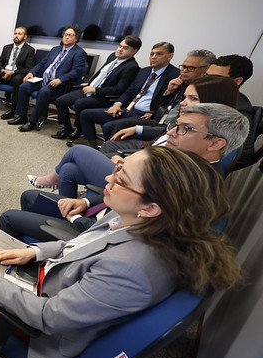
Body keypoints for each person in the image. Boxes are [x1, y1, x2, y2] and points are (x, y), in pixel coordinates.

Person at [0, 146, 240, 358]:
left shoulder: (131, 270)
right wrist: (34, 253)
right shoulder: (137, 218)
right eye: (118, 168)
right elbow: (80, 245)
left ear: (151, 207)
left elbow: (49, 317)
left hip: (44, 332)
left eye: (120, 178)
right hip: (55, 282)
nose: (108, 178)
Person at [12, 80, 243, 242]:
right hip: (100, 211)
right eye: (176, 126)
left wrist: (77, 218)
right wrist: (85, 202)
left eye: (184, 129)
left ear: (216, 143)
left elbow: (123, 230)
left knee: (11, 216)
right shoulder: (183, 160)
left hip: (94, 233)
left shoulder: (184, 182)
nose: (172, 132)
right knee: (60, 176)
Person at [102, 74, 238, 157]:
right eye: (185, 97)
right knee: (109, 146)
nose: (183, 103)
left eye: (193, 99)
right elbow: (167, 126)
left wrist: (130, 162)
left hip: (157, 159)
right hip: (155, 147)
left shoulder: (204, 132)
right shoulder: (189, 117)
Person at [75, 42, 179, 147]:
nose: (154, 57)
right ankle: (93, 146)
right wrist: (118, 104)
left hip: (145, 115)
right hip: (128, 109)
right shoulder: (144, 71)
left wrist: (154, 112)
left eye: (159, 54)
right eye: (152, 54)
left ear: (170, 56)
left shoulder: (175, 75)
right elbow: (129, 91)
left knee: (108, 126)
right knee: (86, 114)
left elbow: (170, 100)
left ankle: (109, 148)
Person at [50, 36, 141, 139]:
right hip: (90, 89)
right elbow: (101, 73)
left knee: (80, 103)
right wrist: (90, 83)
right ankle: (67, 129)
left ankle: (79, 129)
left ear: (134, 51)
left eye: (125, 48)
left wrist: (95, 90)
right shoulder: (112, 56)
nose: (120, 49)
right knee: (60, 101)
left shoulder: (132, 67)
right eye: (120, 46)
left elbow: (118, 89)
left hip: (103, 97)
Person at [7, 25, 88, 132]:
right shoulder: (55, 49)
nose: (66, 37)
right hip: (44, 79)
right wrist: (31, 72)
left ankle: (32, 122)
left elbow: (75, 72)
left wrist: (60, 79)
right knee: (24, 86)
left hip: (60, 84)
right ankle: (22, 116)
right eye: (65, 34)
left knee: (44, 91)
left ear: (76, 38)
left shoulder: (80, 53)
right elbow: (42, 63)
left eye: (70, 35)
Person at [0, 26, 36, 115]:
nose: (16, 36)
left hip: (16, 75)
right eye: (15, 33)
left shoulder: (30, 50)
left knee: (18, 79)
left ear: (25, 37)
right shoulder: (7, 48)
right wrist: (2, 70)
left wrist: (13, 72)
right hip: (4, 73)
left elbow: (29, 68)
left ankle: (13, 109)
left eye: (19, 34)